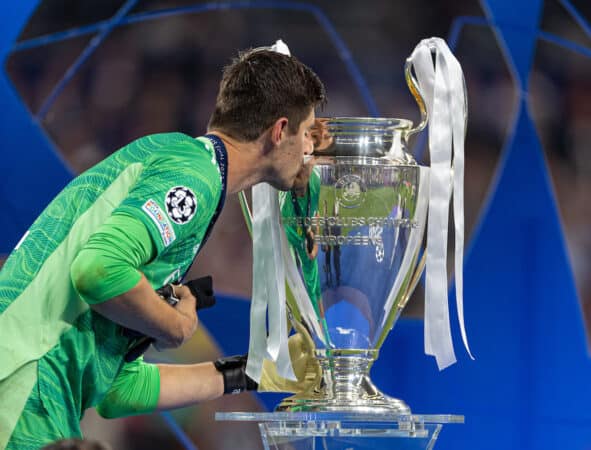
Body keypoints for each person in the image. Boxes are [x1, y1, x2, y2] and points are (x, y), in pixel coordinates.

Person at [0, 47, 326, 449]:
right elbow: (99, 270)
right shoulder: (195, 175)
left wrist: (256, 371)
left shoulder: (182, 163)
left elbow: (118, 388)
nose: (310, 151)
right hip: (22, 386)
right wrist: (173, 327)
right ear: (279, 132)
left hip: (34, 388)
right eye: (307, 133)